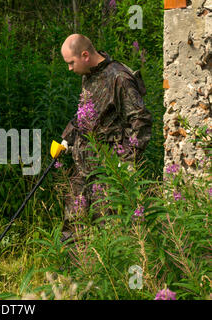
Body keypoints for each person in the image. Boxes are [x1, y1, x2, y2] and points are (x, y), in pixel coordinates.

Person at [59, 34, 152, 240]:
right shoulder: (88, 74)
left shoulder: (119, 77)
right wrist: (66, 139)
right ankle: (72, 270)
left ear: (85, 55)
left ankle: (108, 271)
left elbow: (141, 120)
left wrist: (128, 160)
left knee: (108, 227)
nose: (69, 68)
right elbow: (84, 113)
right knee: (73, 221)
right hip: (83, 163)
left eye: (71, 63)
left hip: (108, 166)